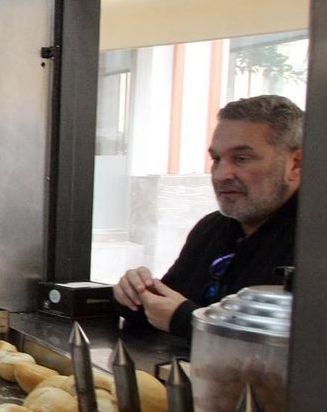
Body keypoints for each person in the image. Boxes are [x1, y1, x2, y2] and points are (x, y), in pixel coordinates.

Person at [113, 95, 303, 337]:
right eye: (216, 159)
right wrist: (134, 293)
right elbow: (167, 304)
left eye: (241, 159)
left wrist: (184, 320)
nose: (222, 174)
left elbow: (290, 348)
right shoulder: (213, 228)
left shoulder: (317, 245)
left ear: (295, 164)